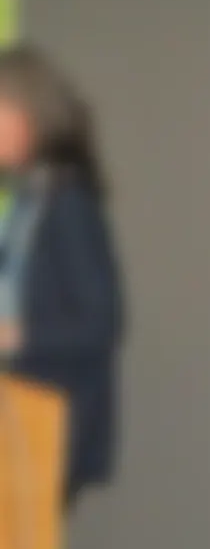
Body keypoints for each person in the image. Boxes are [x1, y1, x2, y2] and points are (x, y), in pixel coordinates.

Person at [0, 45, 123, 510]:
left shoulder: (67, 202)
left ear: (32, 114)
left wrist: (13, 337)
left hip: (47, 424)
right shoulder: (28, 200)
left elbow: (99, 322)